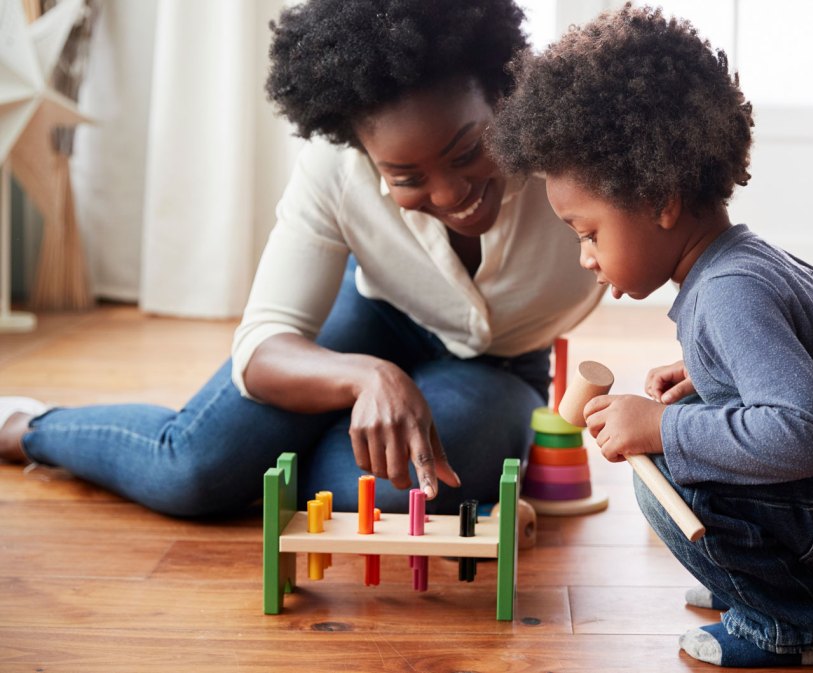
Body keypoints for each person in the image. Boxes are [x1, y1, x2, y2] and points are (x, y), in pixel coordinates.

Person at [488, 5, 813, 667]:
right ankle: (760, 578)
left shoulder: (728, 291)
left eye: (588, 233)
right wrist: (712, 372)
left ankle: (791, 622)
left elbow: (806, 434)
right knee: (700, 427)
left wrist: (660, 428)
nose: (585, 257)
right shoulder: (745, 260)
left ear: (661, 201)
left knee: (667, 475)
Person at [0, 0, 603, 516]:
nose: (449, 195)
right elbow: (263, 345)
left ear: (501, 95)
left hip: (500, 365)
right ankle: (27, 428)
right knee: (193, 471)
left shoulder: (577, 149)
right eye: (406, 176)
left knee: (374, 492)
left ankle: (271, 455)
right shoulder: (334, 169)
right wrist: (367, 378)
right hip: (378, 315)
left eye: (469, 152)